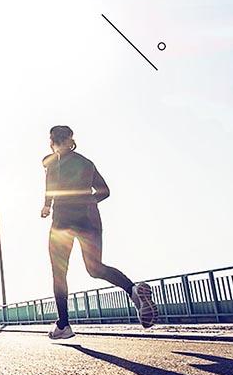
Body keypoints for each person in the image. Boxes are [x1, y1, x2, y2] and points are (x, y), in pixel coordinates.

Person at [41, 126, 158, 339]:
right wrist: (86, 201)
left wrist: (47, 206)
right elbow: (105, 191)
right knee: (95, 268)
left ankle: (64, 325)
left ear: (53, 142)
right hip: (90, 218)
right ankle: (133, 290)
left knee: (59, 273)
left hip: (63, 221)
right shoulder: (86, 162)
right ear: (71, 140)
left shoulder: (52, 162)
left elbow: (50, 189)